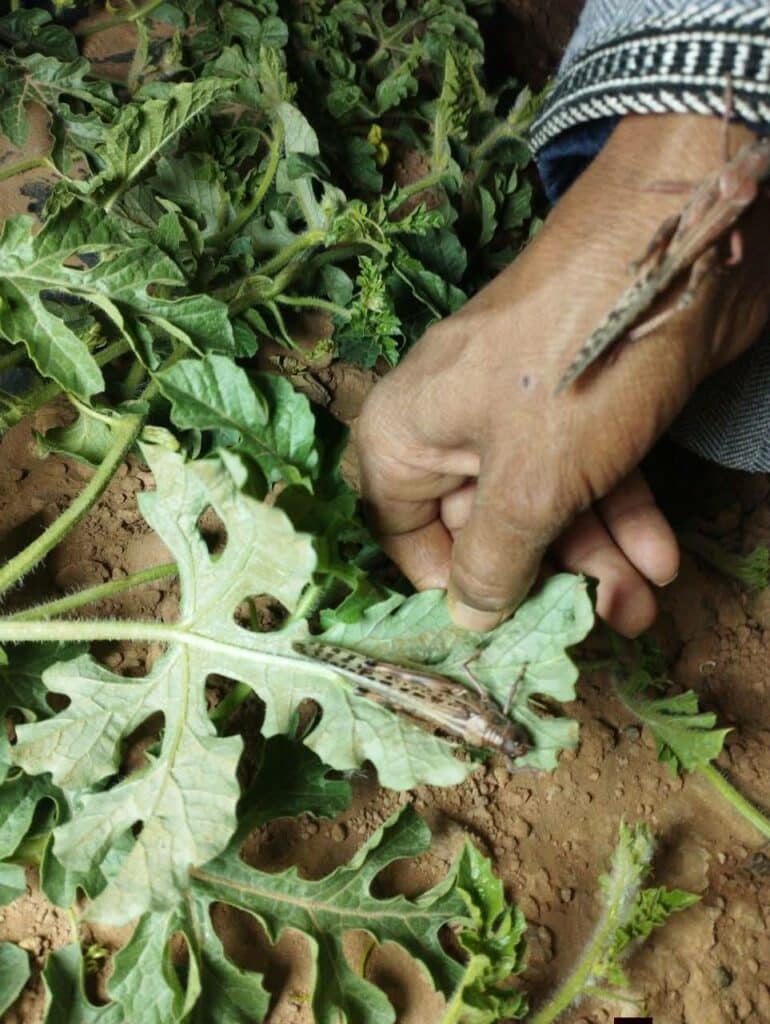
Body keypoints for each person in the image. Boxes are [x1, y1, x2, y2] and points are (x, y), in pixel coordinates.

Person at [354, 0, 770, 638]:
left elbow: (723, 223)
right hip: (684, 227)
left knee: (726, 421)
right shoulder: (731, 163)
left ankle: (707, 298)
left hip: (698, 251)